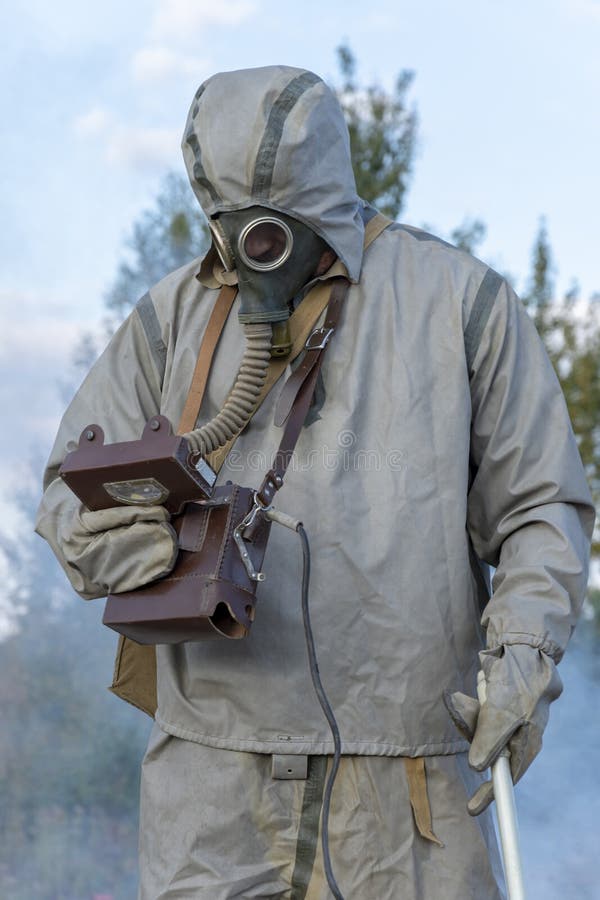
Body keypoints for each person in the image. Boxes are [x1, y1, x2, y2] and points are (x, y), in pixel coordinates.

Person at [36, 65, 594, 899]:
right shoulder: (170, 316)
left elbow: (541, 504)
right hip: (214, 785)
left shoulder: (457, 302)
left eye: (284, 225)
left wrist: (521, 651)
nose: (263, 246)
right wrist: (108, 542)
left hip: (406, 787)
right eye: (239, 226)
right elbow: (68, 495)